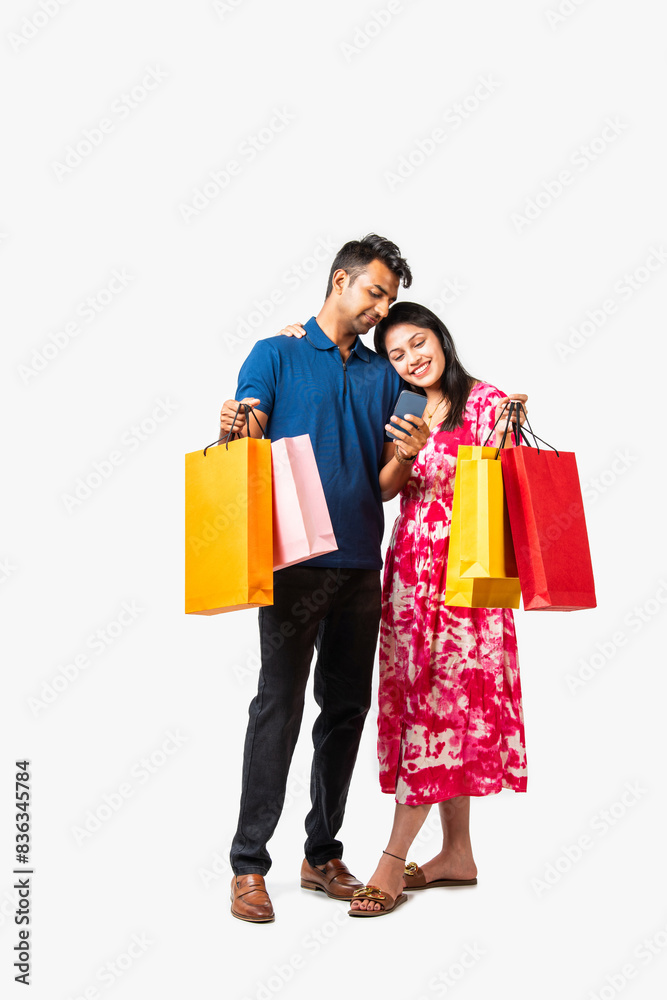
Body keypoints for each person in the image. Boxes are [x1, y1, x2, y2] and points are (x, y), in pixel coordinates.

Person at [279, 302, 528, 918]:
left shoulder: (488, 403)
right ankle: (457, 854)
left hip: (465, 584)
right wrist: (408, 453)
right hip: (410, 577)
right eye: (397, 353)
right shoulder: (405, 403)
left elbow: (505, 495)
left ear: (441, 338)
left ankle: (392, 859)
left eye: (420, 343)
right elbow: (386, 488)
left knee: (440, 713)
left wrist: (514, 430)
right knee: (427, 704)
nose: (413, 358)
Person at [220, 234, 431, 923]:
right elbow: (245, 439)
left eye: (388, 300)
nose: (378, 309)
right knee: (275, 708)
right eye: (372, 292)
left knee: (345, 711)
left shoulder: (383, 377)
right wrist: (236, 425)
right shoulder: (275, 352)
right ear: (339, 280)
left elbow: (387, 485)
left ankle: (321, 855)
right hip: (291, 564)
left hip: (360, 565)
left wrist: (405, 457)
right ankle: (249, 864)